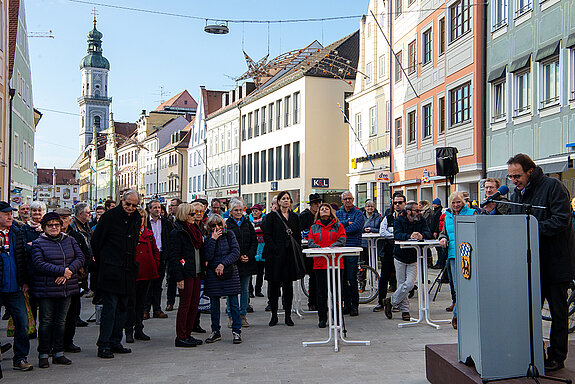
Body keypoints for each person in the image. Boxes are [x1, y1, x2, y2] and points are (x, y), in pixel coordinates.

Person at [507, 153, 575, 371]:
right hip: (530, 263)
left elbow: (561, 220)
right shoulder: (516, 194)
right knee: (529, 310)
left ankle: (557, 356)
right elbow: (513, 220)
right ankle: (534, 351)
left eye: (517, 176)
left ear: (530, 171)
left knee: (558, 312)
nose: (514, 181)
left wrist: (530, 228)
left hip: (556, 262)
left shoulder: (553, 187)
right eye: (511, 177)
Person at [30, 212, 84, 368]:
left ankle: (59, 352)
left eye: (56, 225)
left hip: (66, 287)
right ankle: (43, 354)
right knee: (46, 322)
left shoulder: (70, 240)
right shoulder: (39, 243)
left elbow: (80, 258)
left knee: (61, 322)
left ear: (61, 226)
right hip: (47, 289)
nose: (54, 228)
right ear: (44, 227)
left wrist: (68, 272)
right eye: (50, 225)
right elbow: (39, 263)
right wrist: (61, 271)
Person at [91, 190, 142, 359]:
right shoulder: (109, 217)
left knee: (122, 308)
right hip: (111, 269)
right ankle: (103, 344)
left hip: (127, 270)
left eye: (134, 205)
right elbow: (97, 241)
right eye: (128, 204)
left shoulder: (136, 217)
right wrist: (104, 261)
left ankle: (116, 341)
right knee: (110, 309)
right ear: (122, 201)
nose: (130, 208)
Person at [383, 201, 432, 321]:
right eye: (417, 211)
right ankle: (405, 311)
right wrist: (410, 236)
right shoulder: (399, 220)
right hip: (400, 256)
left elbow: (428, 233)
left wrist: (421, 236)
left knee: (409, 284)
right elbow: (397, 234)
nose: (419, 213)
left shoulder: (421, 220)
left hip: (414, 256)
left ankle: (391, 301)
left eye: (419, 210)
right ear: (409, 211)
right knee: (401, 283)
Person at [0, 201, 33, 371]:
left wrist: (25, 280)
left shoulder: (16, 232)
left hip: (15, 287)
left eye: (11, 213)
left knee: (22, 321)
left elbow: (23, 259)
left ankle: (20, 358)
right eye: (6, 214)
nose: (10, 216)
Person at [167, 202, 205, 348]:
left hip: (197, 271)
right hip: (186, 272)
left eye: (194, 213)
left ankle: (188, 333)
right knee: (185, 305)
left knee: (194, 304)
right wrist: (179, 277)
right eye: (191, 214)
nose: (194, 216)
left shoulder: (195, 229)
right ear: (184, 215)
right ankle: (181, 336)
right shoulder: (178, 232)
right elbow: (174, 257)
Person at [438, 191, 477, 329]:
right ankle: (458, 315)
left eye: (458, 202)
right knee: (457, 288)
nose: (455, 205)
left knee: (468, 287)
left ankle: (460, 315)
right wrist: (443, 238)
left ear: (463, 202)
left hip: (468, 255)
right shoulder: (447, 216)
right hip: (453, 255)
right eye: (453, 202)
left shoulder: (472, 213)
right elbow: (443, 233)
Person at [263, 191, 301, 327]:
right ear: (278, 202)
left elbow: (297, 236)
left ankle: (288, 315)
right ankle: (274, 315)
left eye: (288, 199)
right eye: (283, 199)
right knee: (273, 286)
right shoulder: (271, 217)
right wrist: (275, 249)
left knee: (288, 286)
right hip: (274, 256)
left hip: (289, 256)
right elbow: (266, 235)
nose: (286, 201)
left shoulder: (295, 217)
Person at [203, 214, 242, 344]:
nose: (217, 228)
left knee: (234, 304)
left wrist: (223, 264)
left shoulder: (229, 234)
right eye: (213, 225)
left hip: (229, 272)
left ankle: (237, 331)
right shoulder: (208, 237)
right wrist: (213, 240)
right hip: (214, 274)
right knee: (214, 305)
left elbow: (236, 252)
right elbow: (207, 256)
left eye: (219, 224)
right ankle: (215, 331)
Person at [307, 203, 346, 328]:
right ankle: (322, 317)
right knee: (321, 293)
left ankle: (337, 317)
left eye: (326, 209)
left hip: (335, 263)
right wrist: (322, 250)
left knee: (336, 292)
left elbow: (342, 239)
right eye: (322, 209)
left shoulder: (338, 226)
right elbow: (311, 242)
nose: (324, 210)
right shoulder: (314, 227)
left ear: (331, 212)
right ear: (318, 212)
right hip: (320, 263)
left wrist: (331, 249)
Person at [124, 206, 160, 343]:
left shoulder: (148, 233)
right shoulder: (129, 233)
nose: (141, 220)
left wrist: (155, 263)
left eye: (143, 217)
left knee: (141, 303)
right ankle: (128, 330)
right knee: (130, 303)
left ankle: (139, 328)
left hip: (147, 272)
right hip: (133, 273)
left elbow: (156, 251)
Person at [57, 207, 89, 353]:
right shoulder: (46, 236)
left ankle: (68, 341)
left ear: (70, 219)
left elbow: (84, 256)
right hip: (55, 281)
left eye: (65, 218)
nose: (62, 221)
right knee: (54, 315)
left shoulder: (76, 236)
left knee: (72, 314)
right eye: (60, 218)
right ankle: (54, 343)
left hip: (74, 279)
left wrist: (71, 270)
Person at [225, 199, 257, 327]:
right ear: (230, 212)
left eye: (240, 210)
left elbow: (254, 241)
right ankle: (232, 316)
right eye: (236, 210)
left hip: (246, 262)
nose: (239, 212)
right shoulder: (227, 225)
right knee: (232, 290)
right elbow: (226, 245)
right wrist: (237, 257)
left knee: (244, 290)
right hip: (233, 262)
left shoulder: (248, 223)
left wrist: (249, 255)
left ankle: (243, 315)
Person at [335, 191, 365, 317]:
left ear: (353, 200)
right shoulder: (337, 213)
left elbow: (357, 227)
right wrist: (347, 224)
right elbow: (335, 227)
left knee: (352, 278)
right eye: (345, 199)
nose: (348, 201)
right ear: (342, 201)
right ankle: (346, 305)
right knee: (342, 279)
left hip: (352, 249)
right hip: (340, 250)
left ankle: (354, 306)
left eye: (350, 198)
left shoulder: (358, 213)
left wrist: (342, 230)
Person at [373, 194, 404, 312]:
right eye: (395, 203)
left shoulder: (407, 218)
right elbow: (382, 233)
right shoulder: (388, 218)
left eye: (400, 202)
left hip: (402, 251)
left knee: (401, 279)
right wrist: (398, 235)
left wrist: (396, 235)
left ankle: (397, 303)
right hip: (389, 251)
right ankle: (381, 302)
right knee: (384, 277)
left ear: (404, 204)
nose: (397, 205)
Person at [144, 200, 172, 320]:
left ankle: (157, 309)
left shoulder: (165, 222)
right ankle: (145, 309)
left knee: (158, 285)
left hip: (161, 256)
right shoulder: (145, 222)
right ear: (149, 209)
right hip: (148, 257)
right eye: (154, 207)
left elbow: (170, 238)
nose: (157, 209)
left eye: (159, 207)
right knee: (147, 285)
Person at [298, 193, 322, 311]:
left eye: (319, 203)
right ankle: (312, 302)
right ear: (311, 205)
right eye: (315, 203)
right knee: (312, 275)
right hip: (307, 248)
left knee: (317, 276)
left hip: (318, 248)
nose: (318, 205)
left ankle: (317, 301)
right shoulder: (304, 216)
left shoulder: (321, 216)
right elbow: (301, 231)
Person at [165, 198, 183, 311]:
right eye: (171, 205)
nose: (171, 207)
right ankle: (170, 302)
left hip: (181, 253)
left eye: (173, 205)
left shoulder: (182, 220)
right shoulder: (168, 219)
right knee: (171, 278)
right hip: (170, 252)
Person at [249, 204, 265, 297]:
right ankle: (250, 291)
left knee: (260, 272)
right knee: (250, 272)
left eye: (256, 211)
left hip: (262, 248)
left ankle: (258, 290)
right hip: (254, 248)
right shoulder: (249, 220)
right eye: (253, 211)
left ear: (260, 211)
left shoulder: (264, 220)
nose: (254, 212)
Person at [429, 198, 445, 270]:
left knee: (439, 249)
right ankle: (439, 262)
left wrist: (436, 231)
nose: (433, 205)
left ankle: (440, 263)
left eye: (434, 203)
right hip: (435, 231)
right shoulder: (436, 211)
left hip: (437, 232)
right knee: (438, 249)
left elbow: (438, 223)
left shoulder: (438, 212)